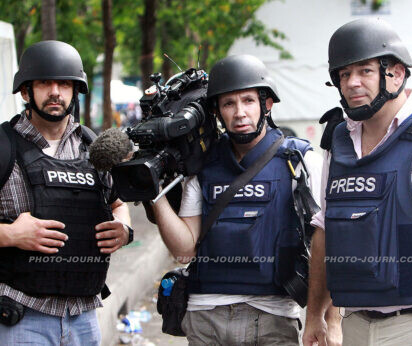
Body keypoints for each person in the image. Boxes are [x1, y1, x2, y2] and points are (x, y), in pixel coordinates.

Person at [151, 54, 341, 345]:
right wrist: (152, 193)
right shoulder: (202, 168)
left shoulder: (300, 161)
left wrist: (329, 319)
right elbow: (185, 252)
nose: (239, 112)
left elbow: (331, 240)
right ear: (217, 111)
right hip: (206, 314)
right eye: (229, 103)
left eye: (248, 101)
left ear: (267, 104)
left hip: (273, 316)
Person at [303, 18, 412, 346]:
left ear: (395, 73)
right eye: (344, 74)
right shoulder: (338, 143)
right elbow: (326, 231)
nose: (353, 83)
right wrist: (314, 315)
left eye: (365, 71)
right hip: (354, 326)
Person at [0, 40, 132, 345]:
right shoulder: (4, 146)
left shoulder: (93, 147)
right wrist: (10, 235)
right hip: (22, 316)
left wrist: (123, 228)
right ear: (25, 91)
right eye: (45, 82)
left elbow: (118, 204)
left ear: (75, 90)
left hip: (84, 319)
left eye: (64, 83)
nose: (55, 91)